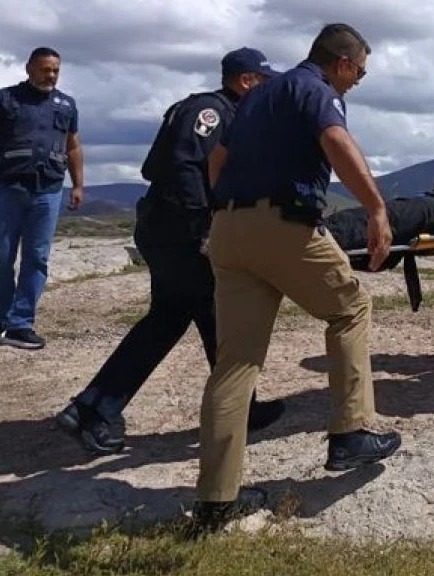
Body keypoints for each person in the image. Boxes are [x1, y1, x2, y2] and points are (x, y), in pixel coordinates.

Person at [190, 23, 401, 534]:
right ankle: (351, 432)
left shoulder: (256, 98)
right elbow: (336, 141)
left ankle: (217, 499)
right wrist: (376, 209)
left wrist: (233, 211)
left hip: (228, 230)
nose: (357, 82)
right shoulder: (316, 89)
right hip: (281, 222)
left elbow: (217, 160)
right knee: (351, 309)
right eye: (359, 73)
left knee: (235, 363)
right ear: (343, 63)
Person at [54, 48, 287, 456]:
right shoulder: (210, 112)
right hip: (181, 232)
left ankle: (237, 407)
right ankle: (93, 410)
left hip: (171, 229)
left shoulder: (226, 113)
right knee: (206, 319)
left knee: (189, 319)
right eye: (264, 82)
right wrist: (204, 229)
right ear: (246, 81)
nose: (268, 91)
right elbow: (183, 168)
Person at [0, 47, 84, 350]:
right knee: (1, 257)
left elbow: (73, 146)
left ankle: (21, 325)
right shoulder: (5, 99)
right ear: (29, 68)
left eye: (55, 71)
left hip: (48, 190)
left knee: (37, 258)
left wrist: (78, 185)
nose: (51, 75)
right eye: (45, 69)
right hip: (7, 189)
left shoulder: (67, 105)